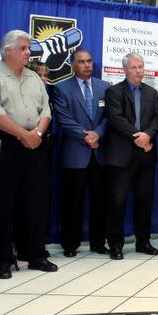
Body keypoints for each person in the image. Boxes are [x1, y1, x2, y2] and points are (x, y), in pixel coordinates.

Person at [0, 29, 56, 279]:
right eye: (23, 48)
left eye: (28, 48)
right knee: (2, 204)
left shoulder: (34, 77)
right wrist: (25, 136)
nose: (28, 52)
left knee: (35, 202)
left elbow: (46, 109)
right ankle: (3, 259)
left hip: (35, 144)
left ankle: (34, 254)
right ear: (7, 50)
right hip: (5, 145)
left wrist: (38, 135)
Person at [52, 49, 111, 257]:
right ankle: (70, 244)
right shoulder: (61, 88)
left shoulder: (105, 87)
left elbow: (109, 117)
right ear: (73, 65)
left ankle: (97, 242)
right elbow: (63, 118)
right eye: (82, 62)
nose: (87, 65)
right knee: (72, 202)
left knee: (100, 202)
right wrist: (86, 136)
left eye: (89, 61)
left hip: (99, 155)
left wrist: (98, 134)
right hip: (75, 154)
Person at [104, 52, 158, 260]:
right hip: (121, 157)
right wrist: (139, 137)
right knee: (117, 202)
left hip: (146, 157)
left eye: (141, 67)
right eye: (134, 67)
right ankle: (116, 245)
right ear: (124, 70)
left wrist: (148, 135)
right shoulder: (113, 92)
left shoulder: (151, 92)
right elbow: (116, 119)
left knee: (145, 201)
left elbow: (157, 118)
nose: (139, 71)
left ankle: (143, 242)